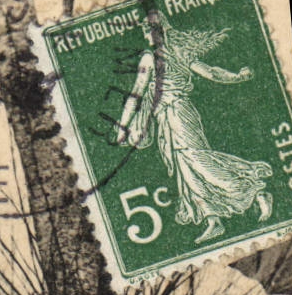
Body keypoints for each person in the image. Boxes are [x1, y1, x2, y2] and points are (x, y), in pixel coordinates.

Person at [113, 18, 274, 243]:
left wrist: (123, 127)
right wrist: (236, 76)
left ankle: (254, 191)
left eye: (147, 30)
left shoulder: (152, 58)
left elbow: (137, 93)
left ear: (158, 32)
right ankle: (212, 219)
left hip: (177, 112)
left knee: (197, 160)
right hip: (167, 118)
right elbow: (211, 73)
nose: (145, 35)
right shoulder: (175, 53)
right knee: (185, 169)